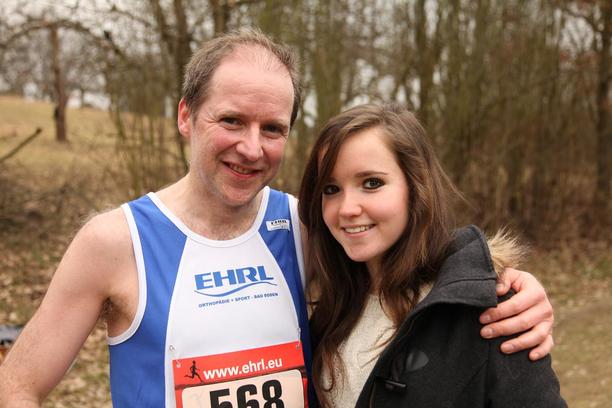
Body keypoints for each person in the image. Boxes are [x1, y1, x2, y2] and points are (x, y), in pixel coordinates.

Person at [0, 28, 554, 408]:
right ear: (186, 116)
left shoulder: (305, 226)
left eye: (272, 129)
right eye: (231, 120)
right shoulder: (114, 241)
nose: (251, 147)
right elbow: (17, 385)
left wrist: (506, 284)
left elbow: (409, 265)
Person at [298, 103, 566, 407]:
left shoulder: (491, 310)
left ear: (416, 186)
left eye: (372, 183)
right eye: (331, 189)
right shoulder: (330, 309)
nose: (347, 208)